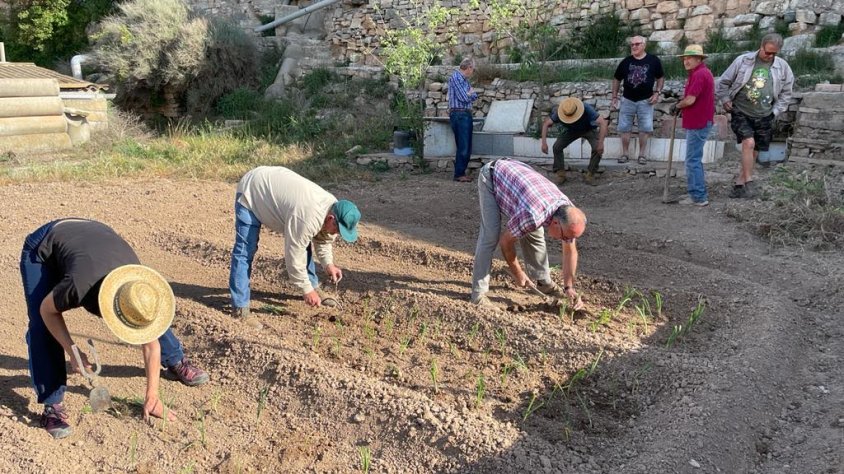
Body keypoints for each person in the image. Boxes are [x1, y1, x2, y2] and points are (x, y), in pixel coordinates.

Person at [19, 218, 209, 439]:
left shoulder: (137, 281)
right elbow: (47, 311)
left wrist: (152, 396)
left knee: (144, 313)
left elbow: (150, 342)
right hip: (43, 247)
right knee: (41, 326)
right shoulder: (80, 287)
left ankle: (174, 359)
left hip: (97, 237)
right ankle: (52, 405)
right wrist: (72, 350)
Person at [229, 166, 361, 329]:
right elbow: (294, 254)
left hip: (275, 187)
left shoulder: (334, 208)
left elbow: (323, 238)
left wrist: (328, 264)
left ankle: (313, 286)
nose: (338, 235)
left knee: (303, 239)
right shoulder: (307, 216)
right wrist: (305, 290)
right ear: (331, 218)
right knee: (245, 251)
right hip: (252, 192)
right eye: (338, 230)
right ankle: (240, 309)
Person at [470, 159, 587, 308]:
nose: (566, 240)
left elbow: (570, 251)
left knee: (534, 234)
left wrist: (569, 287)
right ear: (556, 223)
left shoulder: (569, 213)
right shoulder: (532, 215)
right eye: (564, 236)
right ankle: (478, 294)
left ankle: (542, 282)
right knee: (490, 236)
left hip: (522, 185)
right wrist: (517, 272)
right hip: (493, 176)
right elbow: (506, 242)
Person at [715, 33, 794, 198]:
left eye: (774, 53)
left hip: (765, 114)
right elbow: (723, 82)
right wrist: (725, 99)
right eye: (768, 52)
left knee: (755, 150)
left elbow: (787, 93)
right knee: (748, 143)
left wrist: (776, 111)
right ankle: (750, 182)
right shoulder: (743, 61)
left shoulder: (783, 67)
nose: (770, 56)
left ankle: (739, 184)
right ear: (761, 45)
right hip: (741, 111)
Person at [672, 45, 715, 207]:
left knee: (692, 160)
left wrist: (678, 106)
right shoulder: (698, 73)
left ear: (699, 59)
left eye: (689, 58)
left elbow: (690, 100)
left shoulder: (699, 74)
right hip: (699, 121)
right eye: (685, 58)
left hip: (699, 122)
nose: (686, 61)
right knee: (693, 159)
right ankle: (696, 192)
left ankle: (698, 196)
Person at [611, 35, 665, 165]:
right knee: (624, 127)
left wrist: (657, 93)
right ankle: (624, 154)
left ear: (644, 45)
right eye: (632, 44)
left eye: (637, 44)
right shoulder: (625, 62)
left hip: (646, 100)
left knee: (645, 128)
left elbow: (660, 78)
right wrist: (614, 96)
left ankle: (642, 155)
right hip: (627, 99)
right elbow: (616, 79)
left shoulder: (653, 60)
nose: (634, 46)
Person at [540, 97, 608, 185]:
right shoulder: (560, 112)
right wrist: (544, 143)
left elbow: (603, 122)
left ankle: (590, 174)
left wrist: (601, 143)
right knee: (557, 147)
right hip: (571, 131)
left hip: (588, 129)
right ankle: (561, 174)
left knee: (597, 148)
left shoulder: (586, 108)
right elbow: (546, 124)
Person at [447, 57, 479, 182]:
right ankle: (459, 174)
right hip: (459, 114)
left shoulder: (464, 80)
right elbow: (463, 98)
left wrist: (470, 94)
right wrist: (470, 94)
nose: (473, 71)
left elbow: (473, 95)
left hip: (464, 114)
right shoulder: (456, 78)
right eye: (473, 68)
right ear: (469, 67)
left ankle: (461, 172)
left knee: (466, 145)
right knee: (463, 145)